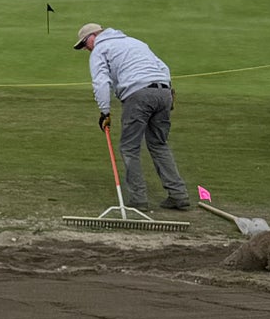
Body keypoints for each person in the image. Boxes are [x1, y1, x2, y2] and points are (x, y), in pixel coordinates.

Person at [75, 22, 189, 211]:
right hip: (164, 92)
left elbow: (101, 82)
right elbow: (164, 68)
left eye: (85, 44)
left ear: (92, 37)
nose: (86, 49)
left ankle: (138, 199)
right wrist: (167, 95)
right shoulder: (135, 42)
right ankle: (178, 195)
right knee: (159, 144)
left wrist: (104, 111)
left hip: (138, 95)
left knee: (129, 148)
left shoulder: (100, 49)